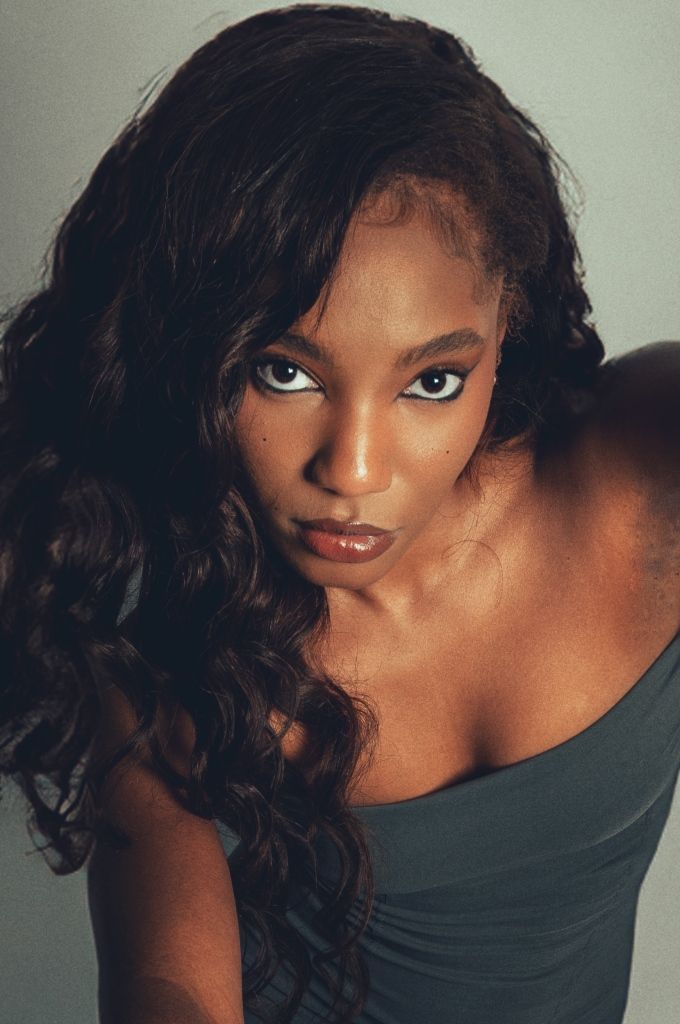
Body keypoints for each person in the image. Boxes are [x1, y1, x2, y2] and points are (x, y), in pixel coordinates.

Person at [1, 3, 678, 1022]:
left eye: (432, 381)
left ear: (507, 324)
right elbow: (167, 982)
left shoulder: (640, 483)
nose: (353, 470)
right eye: (284, 372)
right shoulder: (156, 607)